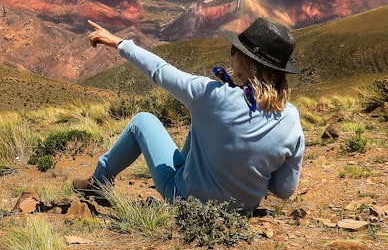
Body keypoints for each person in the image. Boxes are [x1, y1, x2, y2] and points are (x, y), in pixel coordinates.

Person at [73, 17, 305, 214]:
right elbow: (284, 190)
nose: (232, 57)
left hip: (186, 200)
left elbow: (160, 71)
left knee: (142, 121)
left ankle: (99, 181)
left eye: (235, 51)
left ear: (245, 61)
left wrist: (118, 43)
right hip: (243, 209)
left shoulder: (212, 96)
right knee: (202, 126)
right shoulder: (292, 119)